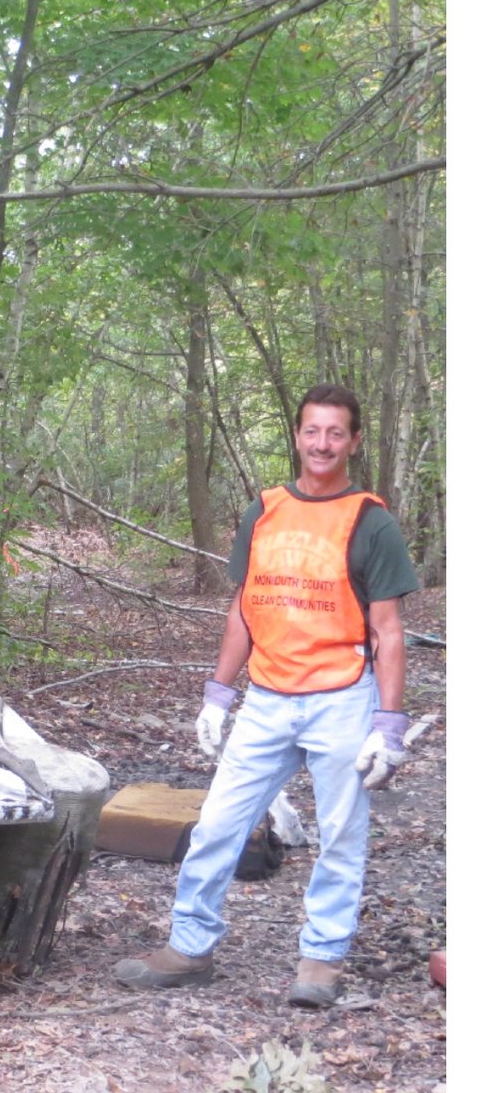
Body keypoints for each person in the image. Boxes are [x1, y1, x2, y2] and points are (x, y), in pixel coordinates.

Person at [116, 385, 420, 1008]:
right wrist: (217, 693)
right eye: (313, 431)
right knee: (216, 824)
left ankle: (321, 960)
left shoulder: (371, 522)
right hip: (268, 699)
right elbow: (244, 610)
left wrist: (388, 724)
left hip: (341, 698)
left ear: (353, 442)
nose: (323, 444)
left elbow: (388, 632)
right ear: (298, 436)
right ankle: (189, 946)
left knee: (341, 835)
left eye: (336, 433)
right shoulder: (265, 511)